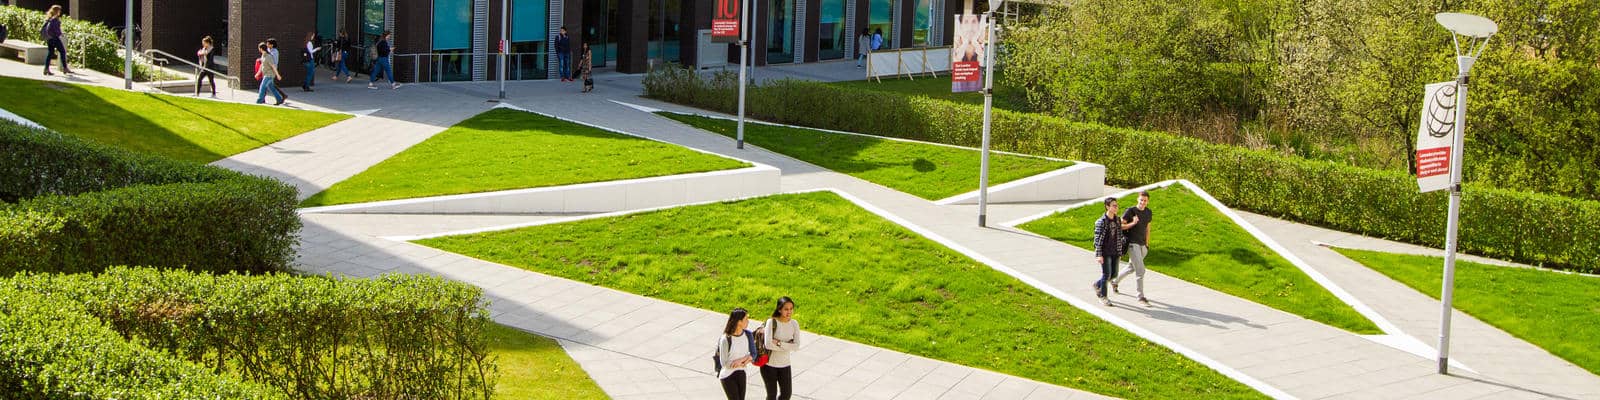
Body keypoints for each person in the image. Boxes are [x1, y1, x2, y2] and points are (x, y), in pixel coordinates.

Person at [1091, 197, 1137, 306]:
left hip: (1115, 252)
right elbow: (1097, 240)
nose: (1116, 207)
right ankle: (1103, 297)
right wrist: (1099, 255)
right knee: (1106, 274)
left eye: (1117, 205)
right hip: (1105, 252)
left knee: (1114, 274)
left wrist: (1119, 252)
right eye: (1114, 206)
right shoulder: (1101, 222)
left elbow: (1119, 236)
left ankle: (1097, 284)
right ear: (1107, 207)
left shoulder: (1117, 220)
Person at [1112, 191, 1154, 306]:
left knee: (1131, 267)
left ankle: (1114, 281)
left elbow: (1148, 228)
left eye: (1145, 200)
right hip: (1132, 243)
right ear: (1137, 199)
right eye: (1141, 200)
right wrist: (1133, 223)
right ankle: (1140, 297)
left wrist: (1147, 244)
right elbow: (1120, 226)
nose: (1142, 202)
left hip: (1142, 245)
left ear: (1148, 201)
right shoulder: (1130, 211)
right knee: (1140, 270)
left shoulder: (1148, 212)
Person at [761, 297, 800, 400]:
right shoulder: (771, 322)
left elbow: (796, 346)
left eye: (791, 309)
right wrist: (787, 346)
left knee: (786, 395)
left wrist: (779, 343)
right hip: (769, 365)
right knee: (771, 396)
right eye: (786, 309)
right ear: (779, 309)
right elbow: (768, 344)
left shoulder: (794, 324)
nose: (789, 312)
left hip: (785, 365)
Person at [717, 308, 754, 400]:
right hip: (728, 376)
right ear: (739, 322)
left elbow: (753, 354)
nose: (748, 321)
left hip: (741, 372)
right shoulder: (726, 339)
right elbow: (724, 363)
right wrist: (745, 360)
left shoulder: (748, 335)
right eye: (746, 319)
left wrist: (741, 360)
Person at [41, 5, 72, 76]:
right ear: (57, 11)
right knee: (62, 51)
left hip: (49, 38)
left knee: (50, 53)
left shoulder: (49, 18)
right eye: (59, 10)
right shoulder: (55, 19)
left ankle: (46, 69)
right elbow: (54, 29)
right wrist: (60, 34)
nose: (60, 12)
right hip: (54, 38)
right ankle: (65, 68)